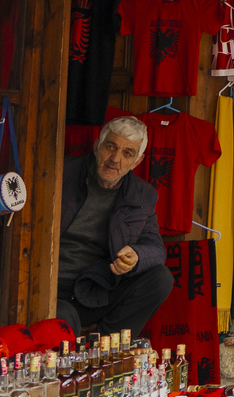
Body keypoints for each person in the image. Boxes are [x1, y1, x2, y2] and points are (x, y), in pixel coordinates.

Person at [56, 115, 173, 339]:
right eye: (110, 147)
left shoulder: (142, 194)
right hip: (52, 292)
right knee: (63, 318)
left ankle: (105, 348)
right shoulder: (60, 174)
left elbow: (156, 249)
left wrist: (136, 255)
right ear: (97, 146)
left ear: (137, 162)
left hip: (95, 290)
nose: (115, 159)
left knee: (160, 278)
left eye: (127, 153)